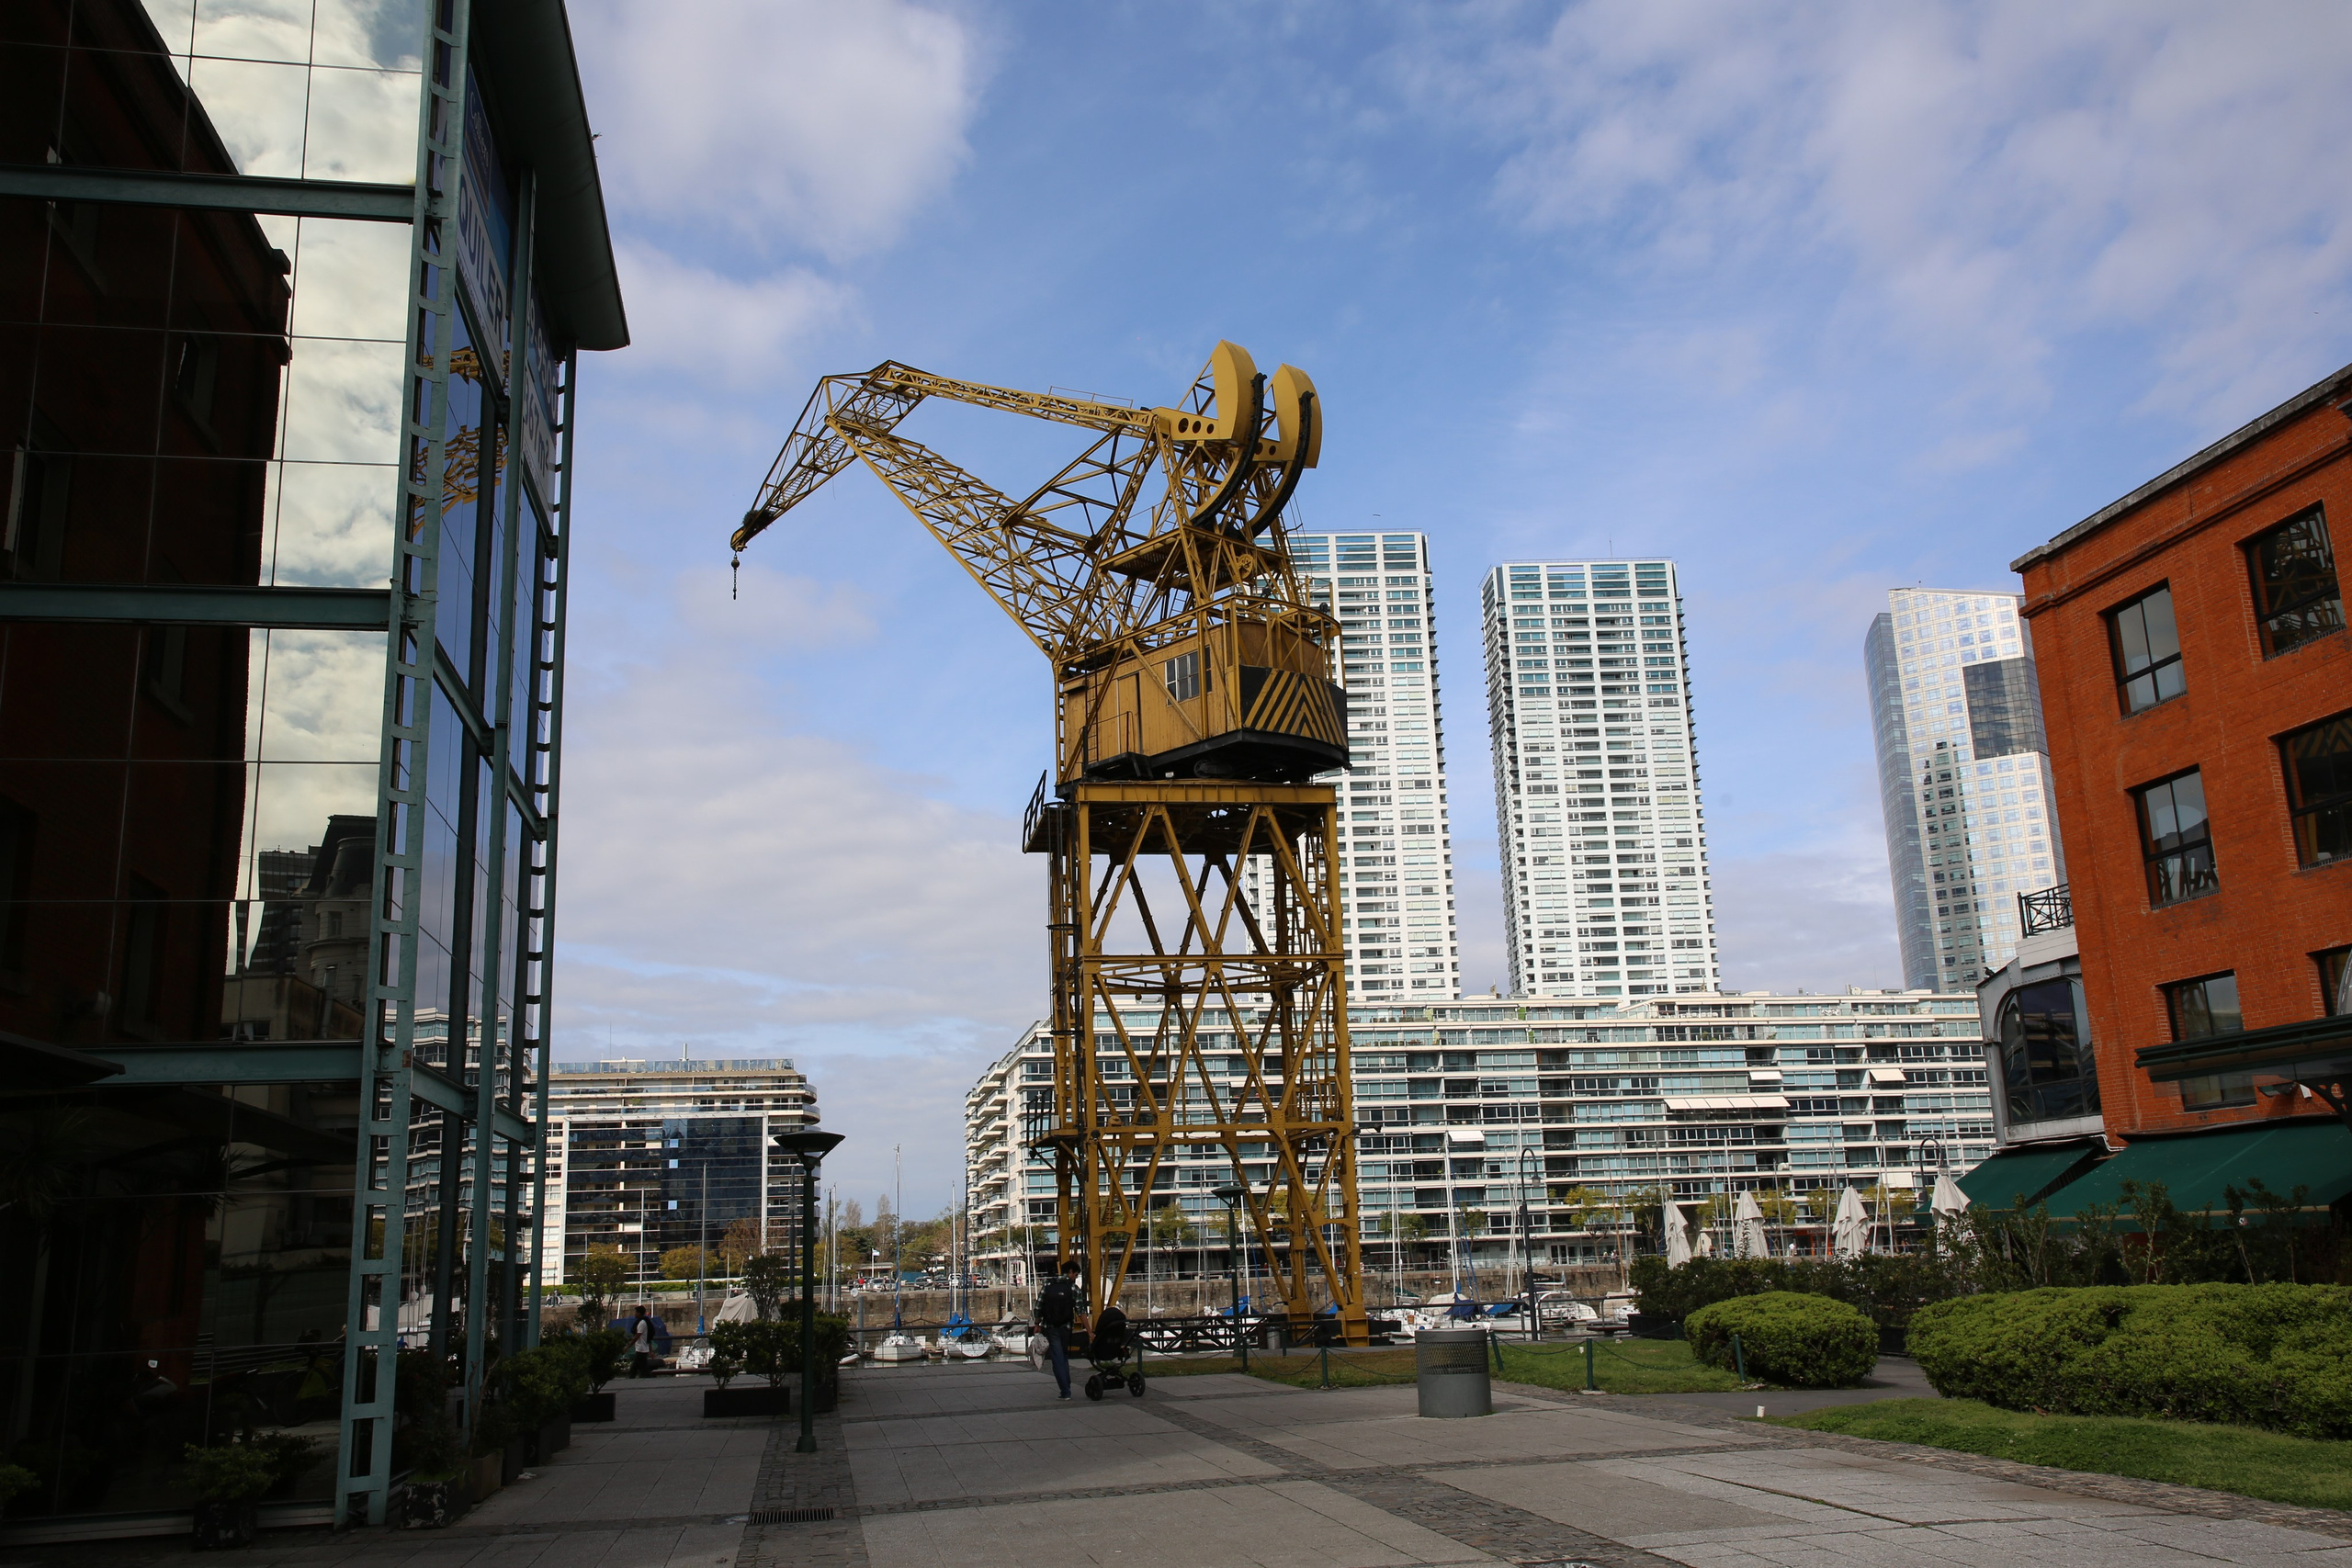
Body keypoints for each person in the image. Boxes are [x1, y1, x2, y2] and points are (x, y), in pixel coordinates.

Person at [1035, 1258, 1082, 1401]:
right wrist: (1089, 1330)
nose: (1075, 1278)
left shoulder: (1048, 1285)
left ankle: (1065, 1391)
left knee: (1057, 1359)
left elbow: (1038, 1306)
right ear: (1070, 1272)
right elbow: (1081, 1311)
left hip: (1051, 1327)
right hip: (1066, 1327)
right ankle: (1066, 1386)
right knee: (1064, 1356)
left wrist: (1037, 1324)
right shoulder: (1073, 1288)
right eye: (1076, 1275)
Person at [629, 1306, 654, 1377]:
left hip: (641, 1349)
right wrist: (651, 1350)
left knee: (639, 1368)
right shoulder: (644, 1322)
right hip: (642, 1349)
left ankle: (632, 1379)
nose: (635, 1314)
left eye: (636, 1312)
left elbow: (637, 1336)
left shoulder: (642, 1323)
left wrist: (627, 1346)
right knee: (639, 1367)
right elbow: (649, 1338)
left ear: (639, 1313)